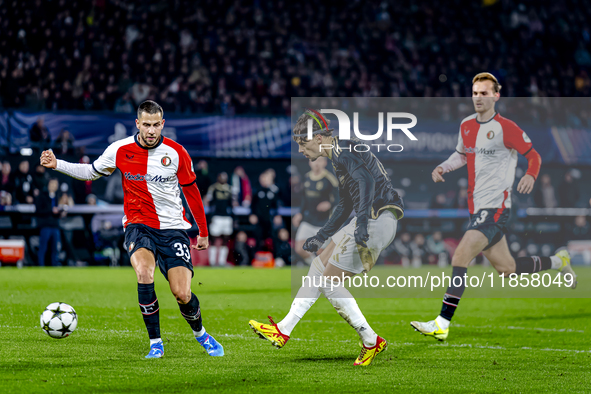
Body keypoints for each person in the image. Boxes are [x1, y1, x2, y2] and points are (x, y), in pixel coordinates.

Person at [40, 100, 223, 359]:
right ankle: (156, 342)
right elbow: (91, 172)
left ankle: (200, 333)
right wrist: (58, 164)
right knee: (144, 273)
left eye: (155, 125)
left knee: (182, 293)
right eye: (146, 125)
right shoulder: (120, 149)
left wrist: (202, 231)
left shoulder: (177, 152)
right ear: (137, 124)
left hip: (172, 228)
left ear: (163, 124)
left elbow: (192, 193)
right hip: (138, 225)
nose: (151, 130)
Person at [410, 73, 578, 342]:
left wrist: (530, 175)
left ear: (496, 96)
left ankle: (442, 323)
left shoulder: (506, 128)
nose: (478, 97)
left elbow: (533, 155)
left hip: (496, 208)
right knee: (508, 269)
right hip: (476, 208)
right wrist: (443, 166)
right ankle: (559, 261)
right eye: (475, 92)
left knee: (459, 257)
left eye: (484, 93)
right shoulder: (466, 125)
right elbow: (462, 155)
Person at [249, 109, 404, 366]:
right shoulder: (339, 153)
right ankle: (283, 329)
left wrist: (363, 222)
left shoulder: (342, 151)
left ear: (320, 138)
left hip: (376, 219)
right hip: (372, 217)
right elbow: (344, 203)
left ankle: (370, 340)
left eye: (303, 142)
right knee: (318, 265)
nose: (300, 150)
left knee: (330, 282)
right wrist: (322, 235)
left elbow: (366, 181)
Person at [292, 157, 338, 264]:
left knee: (321, 253)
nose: (316, 163)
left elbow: (340, 198)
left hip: (324, 222)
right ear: (309, 162)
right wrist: (299, 213)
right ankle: (315, 267)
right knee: (299, 249)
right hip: (308, 220)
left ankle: (324, 273)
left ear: (325, 163)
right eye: (314, 160)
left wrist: (329, 204)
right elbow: (304, 199)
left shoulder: (329, 178)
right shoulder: (307, 177)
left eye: (319, 160)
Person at [204, 172, 234, 266]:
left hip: (227, 217)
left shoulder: (230, 189)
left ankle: (222, 261)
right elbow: (207, 200)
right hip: (216, 216)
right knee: (213, 238)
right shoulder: (213, 188)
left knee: (225, 238)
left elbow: (233, 202)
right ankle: (212, 261)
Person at [35, 178, 63, 267]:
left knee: (55, 248)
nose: (53, 186)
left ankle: (54, 265)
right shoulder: (43, 195)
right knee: (43, 247)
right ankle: (41, 265)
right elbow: (38, 210)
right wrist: (51, 210)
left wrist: (60, 212)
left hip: (55, 225)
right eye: (52, 183)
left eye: (55, 184)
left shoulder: (57, 197)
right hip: (45, 225)